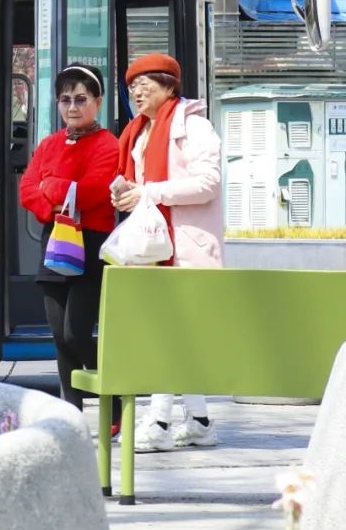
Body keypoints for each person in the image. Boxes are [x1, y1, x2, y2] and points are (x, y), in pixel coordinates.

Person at [112, 52, 224, 452]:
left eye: (144, 85)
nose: (136, 93)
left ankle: (158, 422)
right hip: (155, 245)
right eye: (131, 87)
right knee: (176, 334)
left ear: (168, 85)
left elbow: (208, 183)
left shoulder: (193, 125)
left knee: (168, 333)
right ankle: (200, 422)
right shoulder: (138, 132)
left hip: (186, 247)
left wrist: (149, 192)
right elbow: (139, 183)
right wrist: (126, 192)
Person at [19, 64, 120, 417]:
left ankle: (116, 397)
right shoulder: (49, 144)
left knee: (76, 333)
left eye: (81, 99)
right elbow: (26, 190)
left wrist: (51, 186)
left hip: (91, 244)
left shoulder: (109, 144)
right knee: (60, 339)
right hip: (56, 240)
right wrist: (56, 198)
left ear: (98, 101)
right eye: (65, 100)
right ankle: (71, 416)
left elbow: (94, 192)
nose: (72, 107)